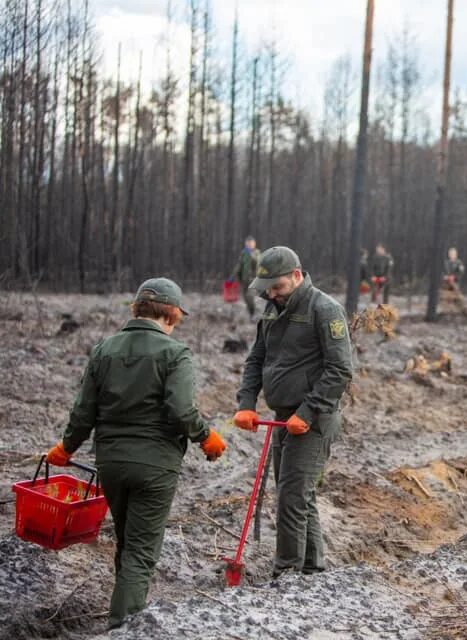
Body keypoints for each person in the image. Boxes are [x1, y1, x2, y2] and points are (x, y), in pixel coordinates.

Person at [45, 278, 226, 629]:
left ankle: (124, 611)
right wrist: (206, 437)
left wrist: (66, 447)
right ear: (173, 314)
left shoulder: (104, 349)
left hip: (111, 463)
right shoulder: (176, 354)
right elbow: (180, 409)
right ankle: (122, 627)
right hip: (155, 467)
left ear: (136, 308)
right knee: (141, 553)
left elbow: (84, 412)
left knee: (128, 542)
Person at [233, 246, 353, 577]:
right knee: (298, 495)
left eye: (278, 287)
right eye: (267, 289)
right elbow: (256, 359)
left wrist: (308, 411)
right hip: (282, 417)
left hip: (313, 420)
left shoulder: (324, 310)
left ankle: (285, 574)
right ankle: (312, 570)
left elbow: (340, 370)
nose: (272, 294)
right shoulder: (272, 311)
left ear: (297, 276)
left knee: (291, 496)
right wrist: (246, 403)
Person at [230, 236, 262, 319]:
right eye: (248, 243)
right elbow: (239, 265)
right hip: (244, 280)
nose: (249, 245)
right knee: (245, 298)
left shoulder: (257, 252)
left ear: (254, 244)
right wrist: (233, 276)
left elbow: (257, 262)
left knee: (250, 296)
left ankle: (253, 312)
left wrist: (251, 254)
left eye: (251, 243)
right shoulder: (243, 253)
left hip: (254, 280)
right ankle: (251, 314)